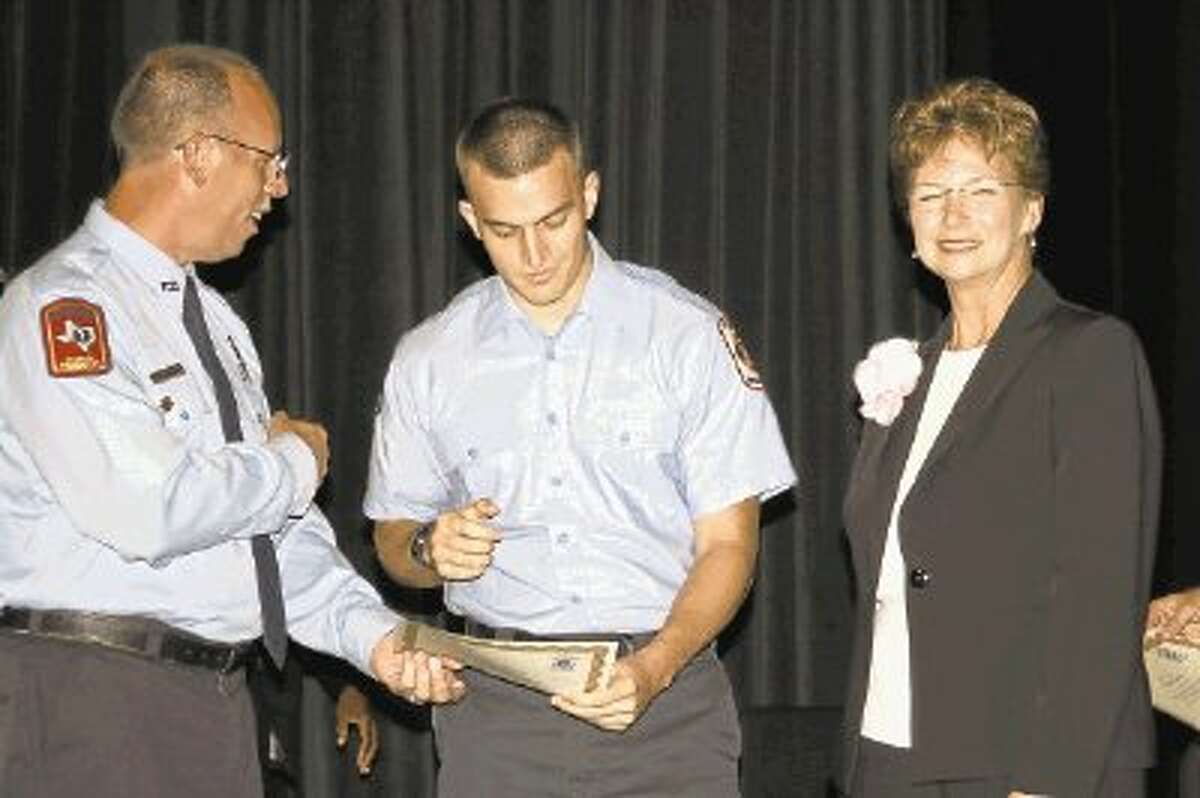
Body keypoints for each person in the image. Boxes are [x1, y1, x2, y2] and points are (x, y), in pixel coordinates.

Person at [0, 43, 462, 798]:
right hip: (89, 699)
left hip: (209, 701)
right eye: (270, 160)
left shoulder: (216, 326)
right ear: (199, 154)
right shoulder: (66, 309)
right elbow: (148, 506)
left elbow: (269, 541)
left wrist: (376, 640)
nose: (278, 188)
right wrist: (294, 461)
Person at [365, 97, 796, 796]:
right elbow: (391, 538)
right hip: (499, 714)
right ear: (471, 221)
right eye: (506, 231)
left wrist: (654, 670)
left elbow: (729, 546)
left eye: (553, 221)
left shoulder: (686, 336)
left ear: (589, 194)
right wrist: (427, 550)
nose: (534, 255)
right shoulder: (429, 358)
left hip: (668, 706)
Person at [838, 77, 1161, 797]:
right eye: (929, 194)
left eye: (981, 190)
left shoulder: (1089, 354)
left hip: (1028, 763)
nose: (953, 214)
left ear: (1031, 210)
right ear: (909, 223)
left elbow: (1097, 596)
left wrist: (1048, 781)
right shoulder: (908, 375)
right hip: (892, 755)